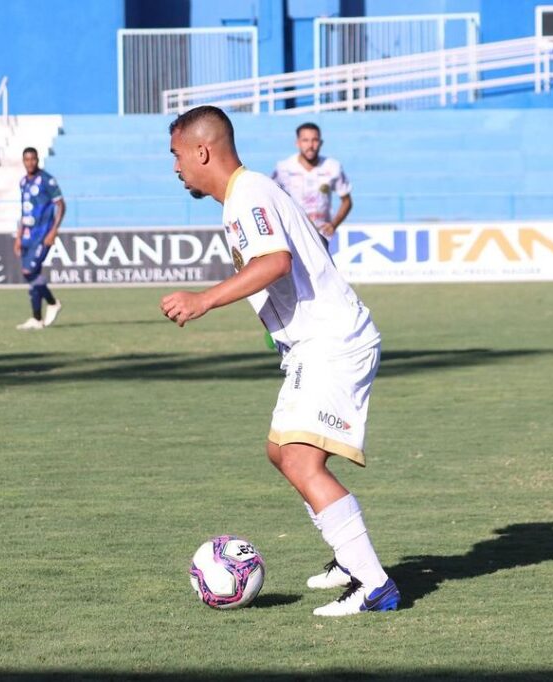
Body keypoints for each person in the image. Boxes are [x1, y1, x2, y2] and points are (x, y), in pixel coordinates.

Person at [161, 106, 399, 617]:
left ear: (202, 151)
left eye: (177, 156)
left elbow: (275, 263)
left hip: (332, 341)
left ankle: (373, 584)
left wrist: (204, 300)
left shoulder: (248, 195)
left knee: (298, 457)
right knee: (281, 451)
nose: (176, 167)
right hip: (312, 345)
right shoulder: (245, 196)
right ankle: (348, 554)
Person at [271, 122, 353, 243]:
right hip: (293, 235)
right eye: (305, 140)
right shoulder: (283, 168)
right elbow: (270, 198)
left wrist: (334, 224)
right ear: (297, 143)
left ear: (321, 143)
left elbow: (347, 201)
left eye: (315, 140)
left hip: (321, 236)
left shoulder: (332, 167)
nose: (310, 145)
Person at [14, 147, 64, 330]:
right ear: (23, 161)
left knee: (29, 271)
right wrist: (18, 236)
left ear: (37, 160)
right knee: (32, 276)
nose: (30, 163)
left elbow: (61, 205)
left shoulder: (46, 180)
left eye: (33, 159)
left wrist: (53, 231)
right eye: (26, 159)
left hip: (43, 235)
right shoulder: (23, 182)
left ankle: (52, 302)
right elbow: (24, 210)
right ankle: (36, 318)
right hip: (27, 235)